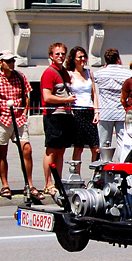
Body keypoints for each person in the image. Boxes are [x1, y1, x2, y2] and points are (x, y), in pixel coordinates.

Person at [0, 51, 38, 201]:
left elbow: (27, 96)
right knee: (2, 151)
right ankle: (5, 185)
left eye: (13, 61)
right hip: (2, 120)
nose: (11, 64)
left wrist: (24, 113)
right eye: (8, 61)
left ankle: (29, 183)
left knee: (26, 149)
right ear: (1, 63)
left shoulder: (20, 76)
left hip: (19, 119)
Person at [41, 42, 76, 198]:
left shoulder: (65, 72)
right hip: (54, 115)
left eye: (63, 54)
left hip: (66, 114)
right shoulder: (49, 73)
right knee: (51, 149)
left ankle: (57, 181)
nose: (60, 56)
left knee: (61, 150)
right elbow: (47, 97)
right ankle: (48, 183)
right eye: (57, 54)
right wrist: (65, 100)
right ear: (51, 56)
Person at [65, 46, 100, 169]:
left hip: (89, 110)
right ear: (74, 59)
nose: (83, 59)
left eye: (84, 56)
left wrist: (96, 111)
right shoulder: (69, 74)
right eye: (80, 57)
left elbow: (94, 93)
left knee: (96, 148)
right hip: (77, 111)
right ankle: (76, 176)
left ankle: (95, 177)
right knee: (78, 147)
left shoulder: (89, 72)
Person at [94, 48, 132, 155]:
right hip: (121, 113)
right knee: (123, 143)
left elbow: (92, 80)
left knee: (104, 143)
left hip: (105, 112)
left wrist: (103, 69)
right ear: (118, 59)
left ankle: (104, 165)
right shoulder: (127, 74)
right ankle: (122, 165)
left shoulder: (100, 73)